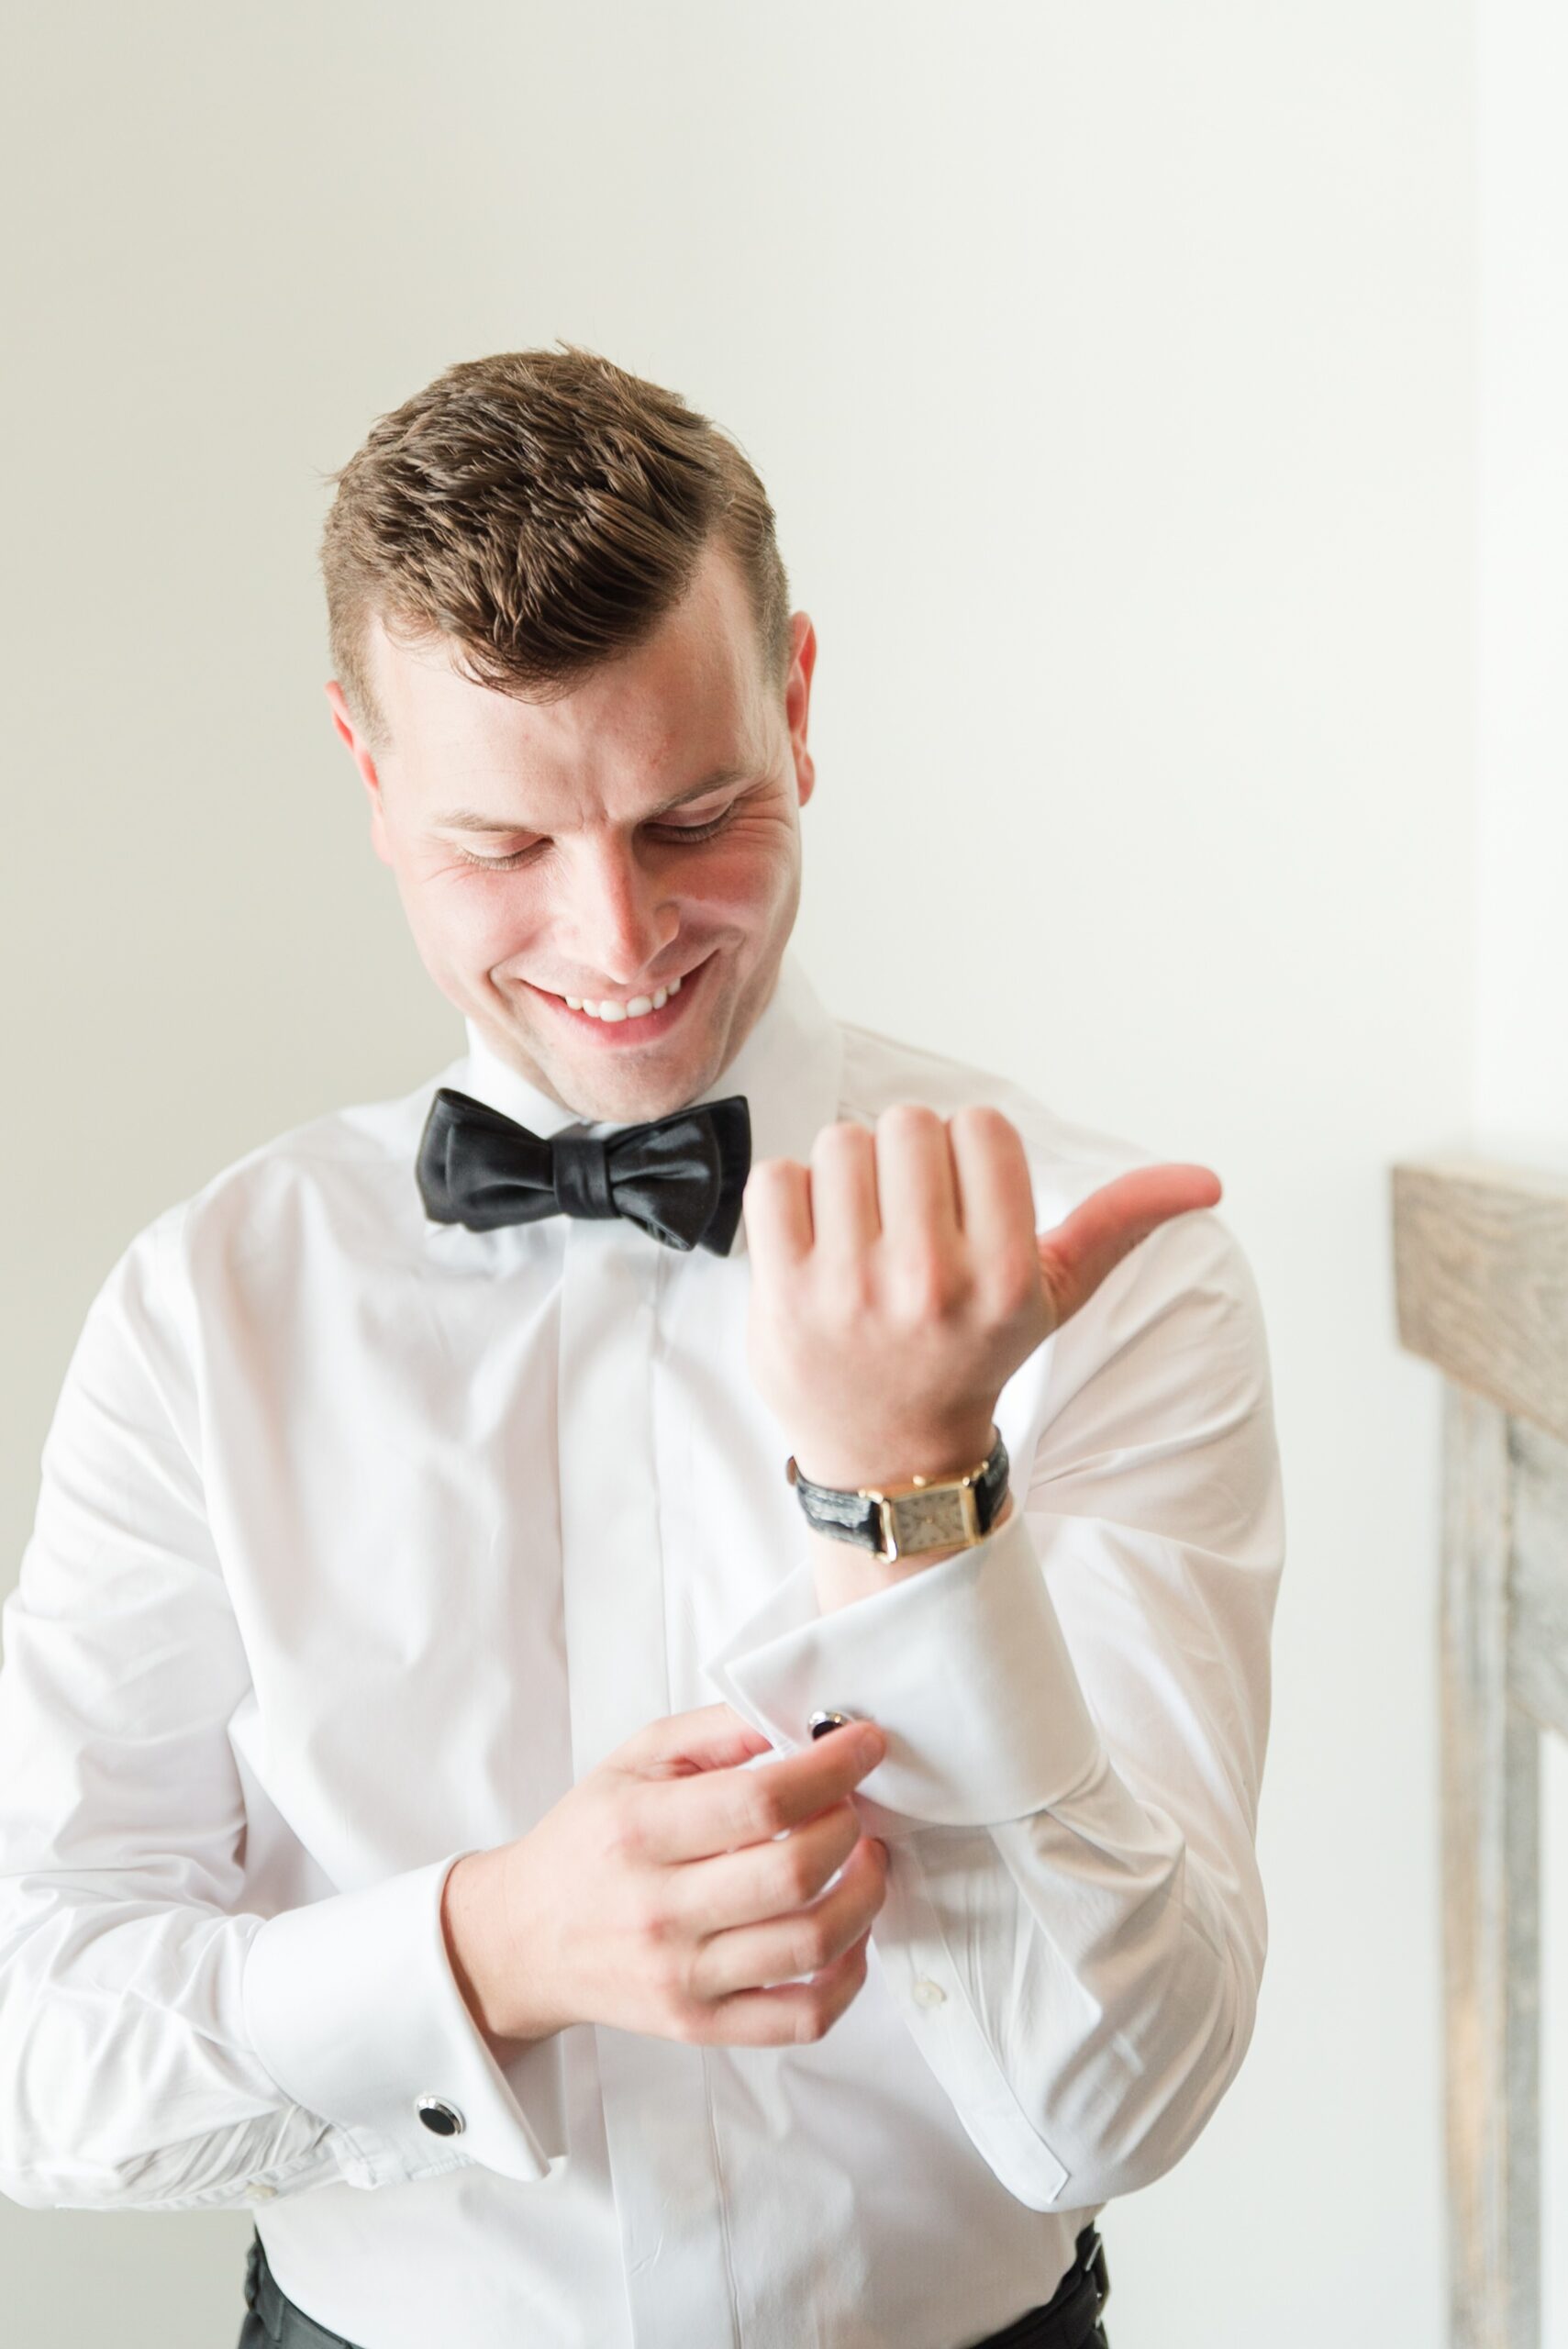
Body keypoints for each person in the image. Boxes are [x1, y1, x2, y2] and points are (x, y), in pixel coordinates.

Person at [0, 347, 1284, 2349]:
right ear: (365, 772)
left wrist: (914, 1504)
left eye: (694, 812)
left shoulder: (1103, 1270)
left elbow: (1117, 2103)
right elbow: (38, 2057)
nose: (616, 938)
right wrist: (487, 1943)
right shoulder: (207, 1307)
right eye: (505, 847)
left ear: (794, 701)